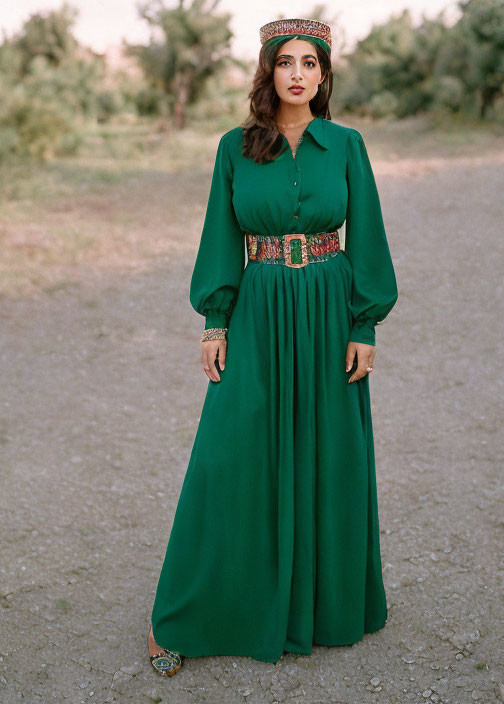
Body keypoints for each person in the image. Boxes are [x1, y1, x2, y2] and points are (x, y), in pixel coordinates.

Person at [147, 17, 398, 676]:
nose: (296, 73)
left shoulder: (346, 145)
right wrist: (215, 321)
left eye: (308, 63)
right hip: (258, 308)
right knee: (229, 455)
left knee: (328, 453)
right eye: (284, 62)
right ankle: (185, 615)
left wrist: (364, 326)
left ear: (322, 74)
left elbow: (366, 232)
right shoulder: (235, 147)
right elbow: (219, 237)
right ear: (268, 72)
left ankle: (321, 608)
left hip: (326, 308)